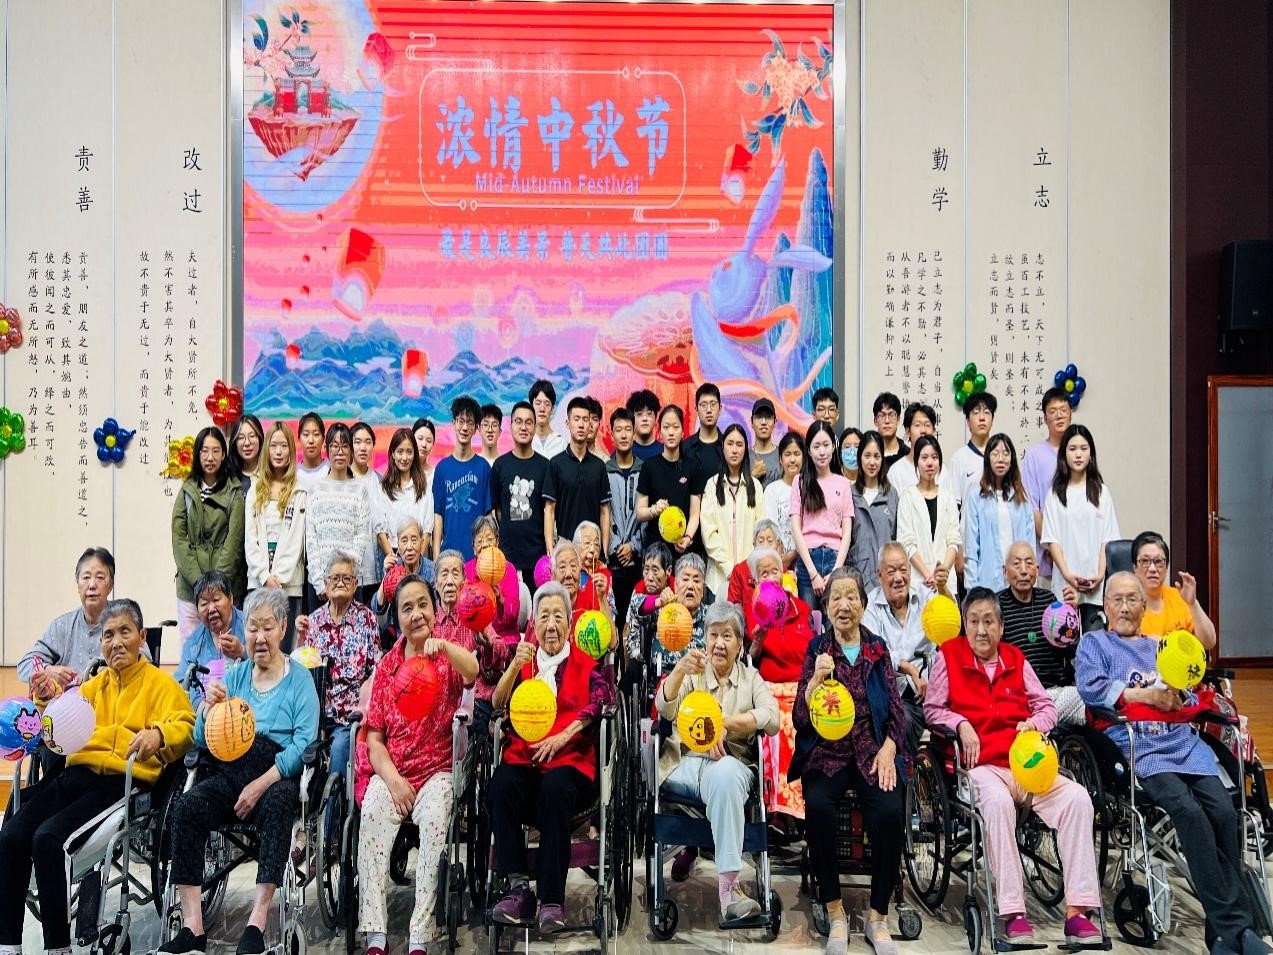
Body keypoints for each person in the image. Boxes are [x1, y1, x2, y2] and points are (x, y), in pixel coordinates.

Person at [1076, 573, 1271, 955]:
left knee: (1223, 812)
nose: (1126, 607)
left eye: (1133, 599)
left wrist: (1179, 696)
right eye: (1118, 600)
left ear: (1143, 606)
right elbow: (1091, 688)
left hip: (1180, 740)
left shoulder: (1160, 645)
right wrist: (1148, 695)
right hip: (1138, 744)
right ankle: (1237, 930)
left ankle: (1222, 934)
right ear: (1106, 607)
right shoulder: (1094, 644)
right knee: (1188, 811)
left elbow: (1189, 688)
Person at [0, 599, 195, 955]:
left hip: (120, 781)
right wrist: (43, 701)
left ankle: (58, 948)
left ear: (142, 636)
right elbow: (56, 725)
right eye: (108, 635)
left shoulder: (161, 686)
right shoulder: (92, 687)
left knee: (49, 839)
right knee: (11, 834)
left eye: (125, 632)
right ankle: (8, 944)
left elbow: (186, 725)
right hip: (76, 774)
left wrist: (159, 735)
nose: (116, 642)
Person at [925, 587, 1103, 947]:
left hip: (1026, 763)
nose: (981, 630)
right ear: (964, 624)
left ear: (1001, 626)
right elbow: (932, 710)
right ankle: (1013, 913)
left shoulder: (1016, 658)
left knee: (1078, 799)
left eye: (989, 621)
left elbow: (1046, 707)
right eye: (973, 621)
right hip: (980, 767)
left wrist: (1034, 724)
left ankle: (1078, 913)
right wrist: (961, 723)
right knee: (998, 804)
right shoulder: (948, 657)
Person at [161, 587, 320, 955]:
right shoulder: (234, 677)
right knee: (186, 808)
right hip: (231, 771)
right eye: (252, 628)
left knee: (280, 804)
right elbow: (201, 739)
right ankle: (192, 927)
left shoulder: (300, 680)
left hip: (275, 775)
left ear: (283, 628)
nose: (259, 637)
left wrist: (260, 785)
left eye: (268, 627)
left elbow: (303, 744)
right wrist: (207, 708)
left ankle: (257, 921)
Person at [357, 575, 479, 955]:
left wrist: (446, 648)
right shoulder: (387, 667)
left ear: (434, 608)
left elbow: (473, 671)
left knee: (437, 819)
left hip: (437, 772)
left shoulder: (446, 656)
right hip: (394, 771)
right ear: (397, 618)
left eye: (422, 604)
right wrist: (393, 781)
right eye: (407, 608)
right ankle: (375, 935)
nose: (416, 614)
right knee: (371, 813)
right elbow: (374, 740)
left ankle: (420, 936)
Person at [791, 568, 909, 955]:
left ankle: (878, 916)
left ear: (863, 603)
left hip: (872, 753)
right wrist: (813, 684)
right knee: (819, 808)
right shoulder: (817, 649)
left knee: (890, 811)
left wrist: (889, 749)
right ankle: (834, 910)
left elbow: (897, 711)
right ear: (826, 607)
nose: (844, 605)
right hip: (828, 754)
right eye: (836, 598)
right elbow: (799, 718)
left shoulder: (877, 649)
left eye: (851, 597)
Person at [488, 582, 616, 934]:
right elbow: (497, 703)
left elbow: (602, 701)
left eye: (559, 616)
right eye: (544, 616)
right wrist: (514, 666)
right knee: (500, 784)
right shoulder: (524, 662)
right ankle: (518, 889)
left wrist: (562, 737)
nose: (551, 624)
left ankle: (551, 899)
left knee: (556, 788)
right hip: (527, 761)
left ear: (570, 624)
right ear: (534, 624)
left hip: (571, 764)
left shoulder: (586, 665)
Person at [656, 602, 779, 920]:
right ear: (705, 639)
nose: (719, 643)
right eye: (713, 635)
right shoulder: (692, 671)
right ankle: (729, 887)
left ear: (740, 644)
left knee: (724, 775)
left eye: (728, 635)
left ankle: (729, 892)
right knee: (721, 779)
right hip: (684, 764)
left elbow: (773, 719)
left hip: (730, 767)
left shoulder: (750, 678)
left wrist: (727, 723)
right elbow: (664, 709)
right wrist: (678, 671)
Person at [294, 550, 381, 774]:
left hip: (350, 715)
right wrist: (300, 639)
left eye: (346, 578)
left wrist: (364, 706)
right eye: (335, 578)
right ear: (325, 583)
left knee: (341, 747)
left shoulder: (366, 619)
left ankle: (334, 797)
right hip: (317, 714)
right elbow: (301, 669)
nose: (340, 583)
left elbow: (375, 671)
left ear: (355, 584)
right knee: (297, 747)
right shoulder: (313, 621)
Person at [744, 546, 815, 820]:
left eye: (775, 571)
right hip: (770, 689)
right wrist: (758, 640)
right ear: (756, 582)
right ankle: (778, 809)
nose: (771, 577)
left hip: (802, 687)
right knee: (781, 721)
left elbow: (813, 652)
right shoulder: (754, 612)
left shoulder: (801, 608)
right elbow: (749, 661)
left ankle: (804, 806)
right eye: (764, 574)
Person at [20, 547, 136, 700]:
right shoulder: (62, 626)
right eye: (86, 577)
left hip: (112, 705)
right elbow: (25, 665)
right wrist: (48, 670)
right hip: (67, 710)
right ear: (78, 584)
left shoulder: (124, 621)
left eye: (100, 577)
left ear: (111, 585)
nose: (92, 585)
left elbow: (144, 658)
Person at [1041, 424, 1120, 632]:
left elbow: (1107, 539)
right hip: (1065, 584)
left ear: (1091, 455)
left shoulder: (1101, 492)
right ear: (1064, 454)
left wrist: (1100, 575)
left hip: (1095, 586)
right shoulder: (1054, 494)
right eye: (1072, 449)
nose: (1078, 454)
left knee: (1095, 640)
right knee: (1066, 641)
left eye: (1083, 449)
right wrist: (1068, 575)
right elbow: (1052, 540)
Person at [997, 542, 1085, 726]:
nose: (1023, 570)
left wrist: (1072, 615)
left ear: (1037, 570)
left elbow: (1068, 649)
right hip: (1020, 696)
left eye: (1029, 563)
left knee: (1088, 699)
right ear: (1005, 571)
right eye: (1016, 564)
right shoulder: (997, 606)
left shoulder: (1049, 601)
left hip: (1055, 691)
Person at [172, 427, 247, 638]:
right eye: (204, 451)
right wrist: (199, 583)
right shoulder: (187, 491)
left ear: (224, 454)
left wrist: (216, 587)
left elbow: (234, 542)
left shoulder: (234, 492)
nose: (210, 457)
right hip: (190, 589)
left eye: (215, 451)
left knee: (225, 647)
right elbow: (179, 539)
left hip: (225, 589)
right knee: (192, 647)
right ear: (197, 454)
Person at [863, 543, 933, 755]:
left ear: (910, 571)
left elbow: (949, 628)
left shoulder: (926, 598)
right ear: (879, 575)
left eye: (903, 570)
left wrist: (944, 590)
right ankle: (896, 771)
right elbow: (874, 650)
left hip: (927, 694)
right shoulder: (870, 606)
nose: (898, 578)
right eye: (891, 571)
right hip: (889, 695)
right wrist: (909, 669)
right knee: (896, 720)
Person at [245, 422, 307, 626]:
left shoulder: (299, 491)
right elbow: (250, 540)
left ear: (291, 450)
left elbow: (296, 542)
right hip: (258, 582)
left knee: (286, 642)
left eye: (283, 446)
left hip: (289, 584)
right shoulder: (255, 490)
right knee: (260, 640)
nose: (278, 452)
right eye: (273, 446)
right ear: (266, 450)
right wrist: (264, 577)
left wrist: (278, 579)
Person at [306, 423, 374, 604]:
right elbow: (311, 539)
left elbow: (361, 537)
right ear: (327, 449)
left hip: (350, 584)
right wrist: (320, 582)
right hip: (320, 585)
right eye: (334, 446)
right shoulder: (315, 489)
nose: (340, 451)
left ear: (351, 451)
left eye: (345, 446)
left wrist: (345, 578)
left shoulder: (360, 489)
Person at [791, 420, 854, 608]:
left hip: (835, 559)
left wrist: (836, 571)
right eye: (816, 446)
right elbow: (796, 528)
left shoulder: (843, 483)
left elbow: (847, 532)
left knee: (835, 620)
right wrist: (813, 574)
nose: (822, 451)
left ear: (833, 447)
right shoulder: (800, 482)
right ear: (809, 451)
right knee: (808, 621)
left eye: (826, 445)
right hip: (808, 560)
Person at [963, 433, 1035, 591]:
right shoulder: (976, 496)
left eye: (1006, 453)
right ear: (987, 458)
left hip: (1019, 581)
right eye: (995, 454)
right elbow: (971, 547)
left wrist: (1031, 579)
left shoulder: (1022, 496)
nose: (1000, 459)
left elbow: (1030, 543)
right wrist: (972, 588)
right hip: (987, 581)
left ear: (1012, 459)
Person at [490, 401, 550, 590]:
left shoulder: (545, 466)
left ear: (535, 426)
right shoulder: (500, 466)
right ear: (511, 426)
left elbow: (548, 510)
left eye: (528, 422)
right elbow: (498, 510)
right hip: (507, 556)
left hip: (538, 557)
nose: (523, 427)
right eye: (518, 421)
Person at [701, 424, 766, 597]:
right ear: (723, 447)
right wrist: (730, 569)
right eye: (730, 444)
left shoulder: (755, 487)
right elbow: (708, 533)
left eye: (739, 444)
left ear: (746, 449)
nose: (734, 450)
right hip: (718, 579)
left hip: (750, 578)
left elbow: (761, 533)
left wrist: (745, 570)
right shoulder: (712, 485)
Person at [543, 396, 611, 554]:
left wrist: (604, 552)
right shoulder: (556, 464)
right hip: (565, 549)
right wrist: (550, 550)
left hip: (592, 551)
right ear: (567, 424)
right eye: (576, 419)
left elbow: (604, 511)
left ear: (590, 425)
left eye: (585, 420)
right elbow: (549, 510)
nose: (581, 424)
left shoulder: (599, 466)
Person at [896, 435, 960, 600]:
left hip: (946, 582)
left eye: (934, 457)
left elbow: (953, 540)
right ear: (916, 462)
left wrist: (943, 571)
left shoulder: (948, 497)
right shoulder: (907, 497)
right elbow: (906, 542)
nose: (930, 463)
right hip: (918, 582)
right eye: (924, 458)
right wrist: (928, 575)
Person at [636, 404, 703, 556]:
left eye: (676, 427)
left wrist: (687, 537)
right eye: (666, 427)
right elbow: (640, 513)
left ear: (683, 432)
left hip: (683, 548)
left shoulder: (692, 466)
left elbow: (695, 514)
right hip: (655, 549)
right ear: (659, 432)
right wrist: (654, 510)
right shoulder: (649, 466)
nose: (671, 432)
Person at [1131, 530, 1218, 648]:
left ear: (1166, 567)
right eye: (1145, 561)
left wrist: (1192, 603)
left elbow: (1209, 643)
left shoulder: (1179, 597)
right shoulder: (1125, 603)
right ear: (1135, 567)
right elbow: (1118, 648)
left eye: (1158, 561)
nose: (1152, 568)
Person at [432, 396, 493, 561]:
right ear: (453, 423)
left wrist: (488, 553)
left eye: (470, 423)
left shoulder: (483, 468)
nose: (465, 427)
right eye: (461, 421)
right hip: (448, 555)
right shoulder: (442, 468)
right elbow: (438, 515)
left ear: (476, 428)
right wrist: (437, 555)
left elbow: (488, 515)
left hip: (477, 557)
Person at [1020, 386, 1071, 582]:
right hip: (1047, 558)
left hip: (1080, 554)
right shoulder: (1034, 455)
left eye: (1063, 410)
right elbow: (1032, 508)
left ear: (1070, 414)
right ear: (1045, 418)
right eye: (1053, 411)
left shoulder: (1080, 452)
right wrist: (1052, 546)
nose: (1059, 415)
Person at [176, 570, 247, 706]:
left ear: (231, 599)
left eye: (216, 600)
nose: (211, 608)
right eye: (204, 604)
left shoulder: (249, 626)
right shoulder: (194, 642)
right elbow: (181, 683)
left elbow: (270, 663)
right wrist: (201, 706)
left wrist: (243, 652)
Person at [374, 428, 435, 575]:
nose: (404, 457)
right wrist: (397, 564)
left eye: (409, 452)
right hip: (392, 557)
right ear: (392, 454)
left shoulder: (423, 487)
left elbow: (427, 532)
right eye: (400, 452)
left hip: (418, 558)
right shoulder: (383, 488)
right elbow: (380, 532)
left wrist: (417, 562)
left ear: (414, 454)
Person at [605, 406, 644, 622]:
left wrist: (633, 546)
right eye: (618, 430)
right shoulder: (603, 471)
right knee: (615, 620)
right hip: (613, 562)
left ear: (634, 433)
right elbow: (603, 514)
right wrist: (616, 547)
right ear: (611, 435)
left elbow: (647, 516)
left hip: (638, 562)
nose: (623, 435)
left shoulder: (645, 470)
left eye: (628, 429)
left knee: (636, 620)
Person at [621, 541, 675, 692]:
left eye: (655, 570)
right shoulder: (639, 589)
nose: (649, 577)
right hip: (642, 650)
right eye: (646, 569)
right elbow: (629, 629)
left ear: (668, 571)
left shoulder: (676, 589)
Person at [849, 431, 898, 584]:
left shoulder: (891, 494)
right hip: (858, 576)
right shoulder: (850, 494)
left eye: (877, 456)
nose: (872, 462)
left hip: (886, 577)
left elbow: (896, 536)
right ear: (860, 458)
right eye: (867, 456)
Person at [649, 554, 710, 677]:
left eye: (696, 581)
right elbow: (634, 606)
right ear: (675, 585)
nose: (691, 586)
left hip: (700, 683)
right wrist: (658, 601)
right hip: (665, 681)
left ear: (703, 589)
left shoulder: (712, 618)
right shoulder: (662, 611)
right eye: (685, 579)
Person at [465, 516, 522, 644]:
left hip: (505, 638)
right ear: (473, 548)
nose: (485, 544)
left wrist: (500, 599)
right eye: (479, 541)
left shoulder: (508, 569)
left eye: (489, 539)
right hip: (475, 639)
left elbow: (513, 615)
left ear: (497, 542)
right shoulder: (466, 570)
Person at [886, 403, 953, 494]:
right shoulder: (896, 472)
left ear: (934, 431)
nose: (923, 430)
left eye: (927, 425)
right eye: (917, 425)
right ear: (908, 432)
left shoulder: (941, 470)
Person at [373, 516, 434, 615]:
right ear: (398, 545)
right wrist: (387, 577)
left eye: (414, 540)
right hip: (397, 624)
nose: (409, 547)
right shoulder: (393, 567)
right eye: (404, 541)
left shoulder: (432, 570)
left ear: (422, 542)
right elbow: (377, 608)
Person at [351, 422, 383, 601]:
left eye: (367, 442)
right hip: (350, 570)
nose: (363, 447)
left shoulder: (379, 480)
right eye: (357, 442)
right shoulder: (344, 479)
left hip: (374, 568)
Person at [948, 392, 997, 509]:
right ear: (968, 422)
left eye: (987, 412)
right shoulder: (958, 459)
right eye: (976, 412)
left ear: (992, 420)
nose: (982, 418)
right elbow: (953, 507)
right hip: (968, 521)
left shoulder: (1001, 457)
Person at [763, 432, 803, 570]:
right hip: (777, 563)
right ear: (780, 459)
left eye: (797, 454)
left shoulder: (810, 490)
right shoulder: (772, 490)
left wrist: (792, 555)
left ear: (804, 457)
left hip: (806, 563)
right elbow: (770, 529)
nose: (792, 460)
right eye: (787, 454)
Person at [726, 520, 784, 607]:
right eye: (760, 541)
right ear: (754, 544)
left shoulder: (782, 571)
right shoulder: (739, 571)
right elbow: (732, 607)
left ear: (778, 545)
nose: (765, 546)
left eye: (770, 541)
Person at [683, 382, 725, 478]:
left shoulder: (728, 446)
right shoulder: (685, 448)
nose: (709, 410)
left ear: (720, 409)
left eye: (713, 404)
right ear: (696, 410)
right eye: (703, 405)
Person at [529, 379, 567, 459]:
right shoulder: (526, 441)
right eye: (538, 403)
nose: (542, 409)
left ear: (552, 409)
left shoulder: (562, 444)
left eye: (547, 404)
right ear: (531, 407)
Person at [872, 392, 908, 472]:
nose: (887, 421)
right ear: (875, 421)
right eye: (882, 415)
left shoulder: (907, 455)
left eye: (891, 415)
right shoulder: (869, 454)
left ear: (898, 419)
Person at [228, 414, 265, 492]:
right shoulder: (228, 477)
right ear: (235, 443)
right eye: (241, 437)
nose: (247, 443)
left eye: (252, 436)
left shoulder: (270, 474)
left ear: (260, 439)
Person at [750, 397, 781, 487]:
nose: (763, 422)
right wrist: (753, 476)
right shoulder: (743, 456)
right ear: (752, 422)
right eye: (759, 417)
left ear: (775, 422)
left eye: (768, 417)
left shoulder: (783, 455)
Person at [626, 388, 664, 461]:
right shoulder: (622, 453)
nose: (645, 418)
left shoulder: (665, 452)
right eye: (639, 414)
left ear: (656, 418)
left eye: (649, 414)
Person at [295, 412, 328, 492]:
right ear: (299, 438)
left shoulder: (330, 470)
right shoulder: (293, 473)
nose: (311, 441)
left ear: (323, 439)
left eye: (316, 434)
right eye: (306, 435)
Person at [411, 417, 436, 491]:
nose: (424, 444)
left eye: (429, 441)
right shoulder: (402, 471)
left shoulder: (435, 476)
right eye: (420, 438)